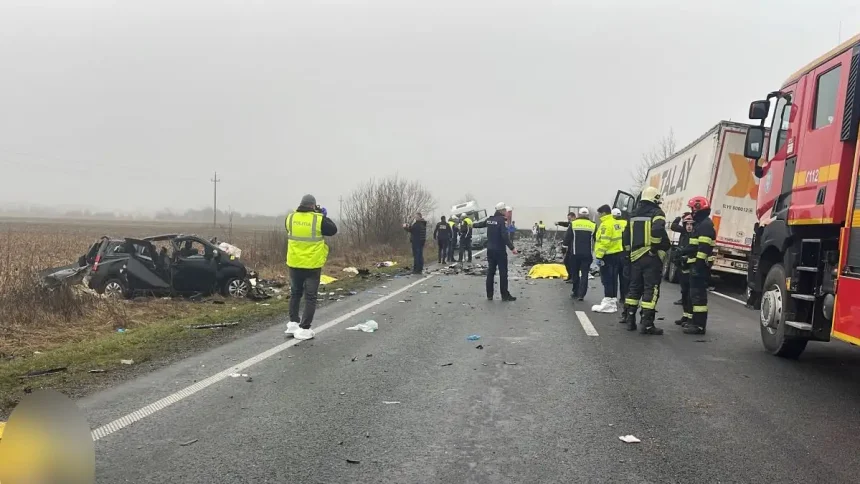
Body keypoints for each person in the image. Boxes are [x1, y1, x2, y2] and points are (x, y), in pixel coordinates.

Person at [284, 194, 338, 340]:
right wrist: (323, 216)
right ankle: (304, 328)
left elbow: (291, 229)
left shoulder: (290, 218)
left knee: (295, 293)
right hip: (312, 265)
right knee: (310, 297)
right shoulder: (318, 219)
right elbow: (333, 230)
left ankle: (293, 323)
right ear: (313, 206)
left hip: (294, 263)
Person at [622, 187, 670, 335]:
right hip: (650, 257)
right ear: (655, 199)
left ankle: (629, 321)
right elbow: (657, 230)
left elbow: (625, 236)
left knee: (634, 288)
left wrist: (628, 253)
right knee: (651, 289)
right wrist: (654, 248)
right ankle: (647, 324)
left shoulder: (633, 214)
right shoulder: (657, 213)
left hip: (635, 257)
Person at [682, 196, 715, 335]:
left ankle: (699, 326)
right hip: (697, 266)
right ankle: (694, 322)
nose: (691, 211)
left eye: (692, 209)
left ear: (697, 208)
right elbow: (694, 246)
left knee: (699, 297)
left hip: (700, 267)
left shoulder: (705, 225)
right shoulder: (701, 224)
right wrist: (682, 252)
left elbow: (703, 248)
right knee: (694, 295)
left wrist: (698, 265)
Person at [474, 202, 519, 301]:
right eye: (505, 210)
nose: (506, 212)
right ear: (501, 210)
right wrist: (512, 248)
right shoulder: (501, 221)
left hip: (490, 250)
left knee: (490, 272)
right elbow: (504, 236)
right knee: (503, 273)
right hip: (500, 250)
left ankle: (489, 295)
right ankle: (504, 295)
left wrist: (471, 225)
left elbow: (479, 224)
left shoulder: (490, 219)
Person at [592, 204, 624, 313]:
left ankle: (608, 304)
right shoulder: (615, 223)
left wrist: (599, 256)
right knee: (613, 280)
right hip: (617, 254)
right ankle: (612, 302)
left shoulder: (606, 224)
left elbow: (604, 242)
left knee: (607, 280)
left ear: (604, 213)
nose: (599, 216)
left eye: (599, 214)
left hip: (607, 256)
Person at [564, 207, 596, 301]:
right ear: (588, 215)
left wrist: (564, 247)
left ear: (579, 215)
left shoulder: (574, 224)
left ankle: (575, 292)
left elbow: (567, 238)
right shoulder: (593, 225)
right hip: (587, 254)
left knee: (575, 273)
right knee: (584, 274)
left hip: (575, 253)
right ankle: (582, 294)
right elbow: (597, 239)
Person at [674, 213, 695, 327]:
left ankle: (690, 318)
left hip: (691, 268)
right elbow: (673, 226)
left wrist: (686, 256)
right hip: (682, 267)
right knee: (684, 292)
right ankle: (685, 316)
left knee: (690, 295)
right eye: (687, 224)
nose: (689, 226)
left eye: (691, 224)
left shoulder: (694, 236)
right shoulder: (683, 233)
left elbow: (694, 250)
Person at [613, 208, 631, 323]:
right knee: (624, 278)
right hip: (625, 254)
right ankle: (624, 297)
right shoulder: (627, 223)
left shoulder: (611, 224)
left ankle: (613, 297)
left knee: (613, 277)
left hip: (614, 253)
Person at [670, 212, 692, 305]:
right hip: (681, 260)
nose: (689, 226)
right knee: (682, 281)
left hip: (690, 260)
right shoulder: (683, 230)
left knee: (688, 282)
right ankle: (684, 299)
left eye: (691, 222)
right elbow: (673, 226)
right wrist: (679, 217)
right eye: (687, 222)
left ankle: (687, 299)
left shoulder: (695, 233)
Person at [556, 212, 576, 283]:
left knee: (571, 262)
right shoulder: (571, 224)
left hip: (574, 246)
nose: (569, 221)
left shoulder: (575, 224)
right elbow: (566, 224)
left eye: (570, 219)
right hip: (569, 246)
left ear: (574, 217)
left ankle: (573, 277)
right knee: (566, 261)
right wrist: (559, 223)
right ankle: (570, 276)